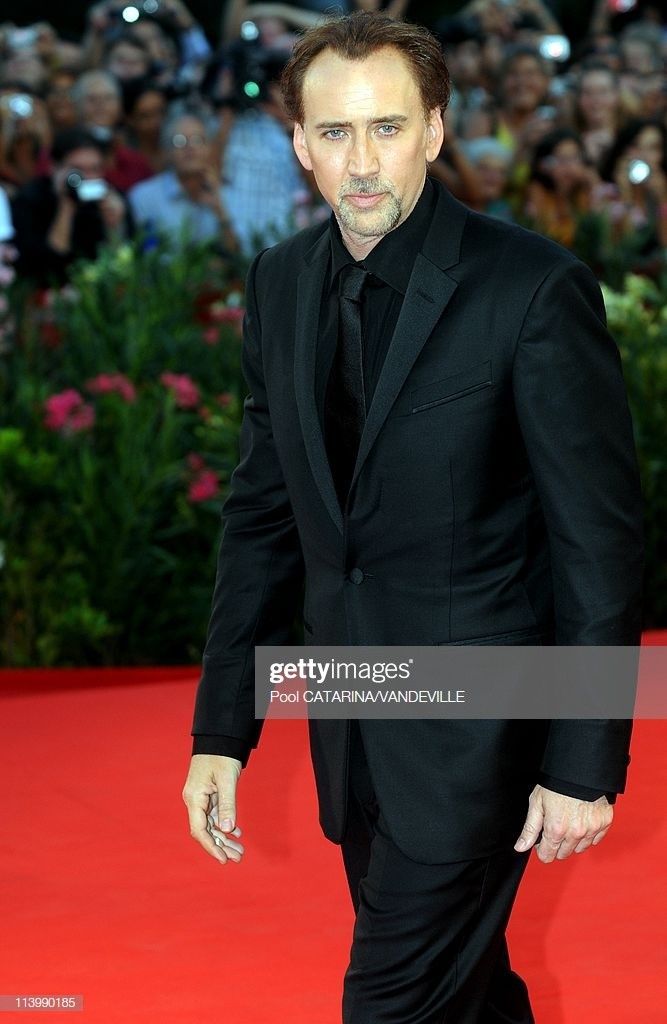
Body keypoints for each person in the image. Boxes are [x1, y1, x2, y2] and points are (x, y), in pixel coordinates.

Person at [182, 13, 643, 1024]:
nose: (360, 162)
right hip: (354, 718)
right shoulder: (281, 282)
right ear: (298, 143)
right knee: (466, 999)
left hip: (482, 734)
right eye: (334, 133)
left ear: (435, 130)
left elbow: (596, 542)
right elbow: (263, 515)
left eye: (386, 128)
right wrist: (223, 727)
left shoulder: (528, 288)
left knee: (392, 1004)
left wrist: (583, 760)